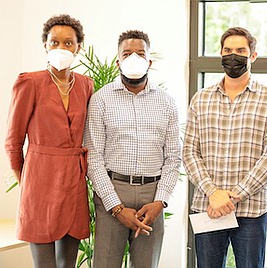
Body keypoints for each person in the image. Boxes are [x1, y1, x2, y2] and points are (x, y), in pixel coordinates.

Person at [183, 27, 267, 268]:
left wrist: (233, 195)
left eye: (241, 51)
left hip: (251, 211)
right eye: (228, 50)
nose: (234, 56)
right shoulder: (201, 98)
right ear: (220, 54)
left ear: (253, 56)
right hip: (207, 207)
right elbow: (189, 152)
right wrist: (213, 193)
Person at [85, 30, 181, 268]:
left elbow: (173, 158)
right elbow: (94, 157)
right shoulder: (100, 99)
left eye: (140, 54)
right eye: (127, 54)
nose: (134, 59)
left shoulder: (167, 102)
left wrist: (161, 201)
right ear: (118, 61)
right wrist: (116, 208)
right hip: (112, 193)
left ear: (150, 61)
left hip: (153, 196)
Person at [4, 14, 93, 268]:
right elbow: (13, 141)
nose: (61, 48)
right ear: (45, 45)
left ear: (78, 47)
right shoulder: (29, 82)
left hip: (73, 183)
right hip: (39, 182)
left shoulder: (86, 85)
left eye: (68, 43)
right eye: (54, 42)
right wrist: (28, 183)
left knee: (67, 264)